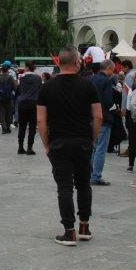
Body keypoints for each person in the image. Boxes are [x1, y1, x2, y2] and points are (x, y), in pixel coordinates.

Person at [37, 47, 101, 246]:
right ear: (77, 62)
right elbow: (98, 116)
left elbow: (41, 121)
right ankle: (84, 226)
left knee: (64, 187)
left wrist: (46, 144)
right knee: (83, 184)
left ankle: (69, 231)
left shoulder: (47, 87)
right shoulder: (88, 86)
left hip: (59, 142)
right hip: (82, 141)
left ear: (58, 62)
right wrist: (92, 139)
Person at [87, 60, 117, 184]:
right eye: (113, 69)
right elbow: (108, 101)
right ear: (109, 68)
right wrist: (116, 109)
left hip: (90, 117)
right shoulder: (107, 81)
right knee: (101, 148)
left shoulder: (91, 79)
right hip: (103, 118)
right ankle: (96, 176)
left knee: (93, 148)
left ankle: (89, 174)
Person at [16, 61, 42, 156]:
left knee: (22, 126)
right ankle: (30, 147)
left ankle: (20, 147)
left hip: (22, 103)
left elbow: (18, 90)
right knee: (32, 127)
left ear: (27, 67)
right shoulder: (38, 78)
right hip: (33, 104)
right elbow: (40, 90)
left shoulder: (21, 77)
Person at [0, 61, 16, 133]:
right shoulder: (11, 78)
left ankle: (4, 128)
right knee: (9, 113)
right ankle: (8, 126)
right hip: (9, 98)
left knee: (2, 114)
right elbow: (14, 87)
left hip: (1, 98)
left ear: (2, 70)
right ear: (7, 70)